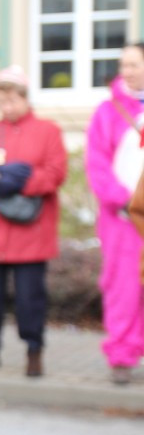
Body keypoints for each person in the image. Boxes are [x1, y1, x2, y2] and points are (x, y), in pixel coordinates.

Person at [0, 65, 68, 378]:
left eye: (12, 101)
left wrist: (19, 180)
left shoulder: (47, 130)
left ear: (24, 98)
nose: (6, 108)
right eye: (1, 102)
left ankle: (34, 351)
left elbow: (55, 173)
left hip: (30, 230)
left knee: (30, 299)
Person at [85, 42, 144, 386]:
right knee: (123, 286)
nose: (128, 71)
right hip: (122, 217)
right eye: (124, 65)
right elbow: (97, 164)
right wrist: (121, 201)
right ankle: (121, 355)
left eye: (135, 64)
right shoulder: (108, 112)